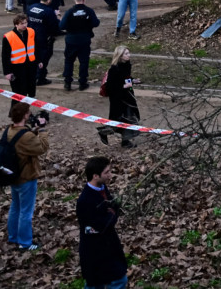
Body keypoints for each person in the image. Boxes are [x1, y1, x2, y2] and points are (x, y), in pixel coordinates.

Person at [78, 156, 129, 289]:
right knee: (114, 281)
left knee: (97, 283)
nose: (110, 175)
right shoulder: (85, 200)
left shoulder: (102, 188)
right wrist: (112, 213)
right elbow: (101, 224)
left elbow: (113, 209)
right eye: (106, 172)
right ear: (95, 176)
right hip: (95, 251)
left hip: (108, 245)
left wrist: (112, 212)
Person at [4, 101, 48, 250]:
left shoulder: (9, 130)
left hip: (13, 176)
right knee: (26, 212)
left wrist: (33, 130)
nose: (30, 115)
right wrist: (42, 130)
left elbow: (23, 138)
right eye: (28, 113)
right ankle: (25, 243)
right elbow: (41, 147)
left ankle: (13, 237)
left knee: (15, 207)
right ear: (24, 115)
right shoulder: (26, 136)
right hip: (26, 177)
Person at [98, 46, 140, 148]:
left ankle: (125, 142)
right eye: (126, 54)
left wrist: (132, 80)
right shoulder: (114, 69)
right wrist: (124, 86)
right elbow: (111, 87)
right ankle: (104, 132)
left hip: (128, 96)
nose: (129, 55)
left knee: (129, 118)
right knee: (118, 120)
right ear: (120, 56)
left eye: (128, 53)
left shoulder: (127, 65)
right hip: (118, 99)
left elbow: (125, 77)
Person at [60, 0, 100, 92]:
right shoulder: (89, 11)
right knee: (84, 62)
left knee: (69, 61)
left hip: (71, 40)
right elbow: (96, 23)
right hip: (84, 40)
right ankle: (82, 83)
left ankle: (67, 83)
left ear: (74, 0)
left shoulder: (69, 12)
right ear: (84, 0)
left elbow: (61, 26)